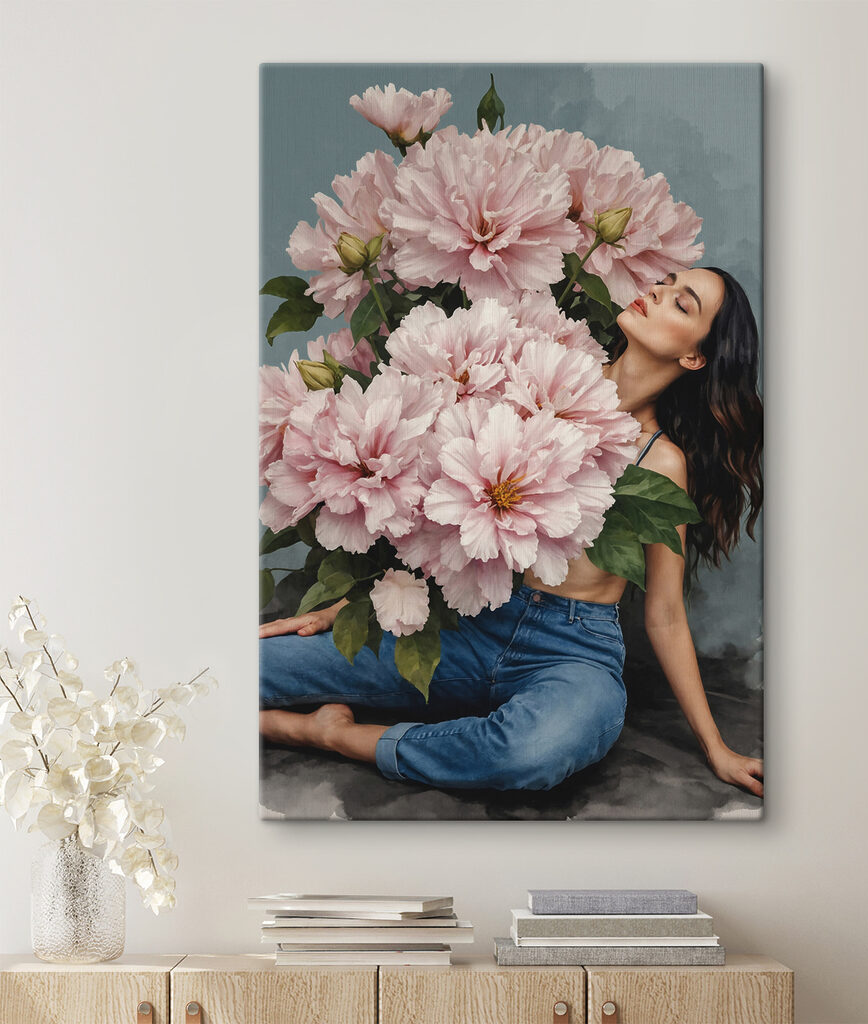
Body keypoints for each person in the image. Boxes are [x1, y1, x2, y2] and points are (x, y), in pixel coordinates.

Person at [259, 266, 764, 798]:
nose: (657, 291)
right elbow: (441, 515)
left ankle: (330, 736)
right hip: (466, 621)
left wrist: (717, 749)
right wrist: (354, 606)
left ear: (695, 357)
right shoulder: (532, 372)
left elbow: (663, 613)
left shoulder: (662, 464)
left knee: (533, 751)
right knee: (250, 670)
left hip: (572, 652)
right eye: (664, 281)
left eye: (683, 305)